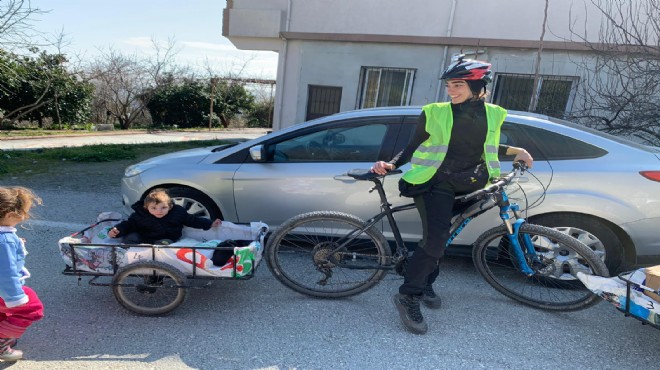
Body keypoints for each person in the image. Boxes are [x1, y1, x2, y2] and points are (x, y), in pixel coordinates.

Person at [371, 55, 534, 334]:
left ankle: (424, 284)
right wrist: (392, 163)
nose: (451, 91)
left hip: (471, 183)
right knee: (435, 241)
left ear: (478, 85)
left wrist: (515, 151)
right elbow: (412, 146)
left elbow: (486, 145)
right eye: (449, 85)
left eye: (457, 85)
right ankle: (408, 294)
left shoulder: (494, 113)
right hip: (433, 183)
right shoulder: (434, 112)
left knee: (442, 238)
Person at [0, 186, 45, 361]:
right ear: (10, 215)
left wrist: (16, 244)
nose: (24, 217)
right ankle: (2, 343)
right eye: (23, 214)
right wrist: (14, 297)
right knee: (32, 309)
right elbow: (6, 271)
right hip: (4, 289)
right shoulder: (4, 241)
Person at [108, 188, 222, 244]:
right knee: (131, 237)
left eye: (163, 208)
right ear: (146, 208)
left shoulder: (178, 212)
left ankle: (157, 266)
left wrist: (210, 223)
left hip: (166, 239)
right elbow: (128, 224)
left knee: (165, 244)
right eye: (153, 208)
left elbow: (193, 220)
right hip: (145, 239)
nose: (159, 211)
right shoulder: (140, 215)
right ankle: (129, 257)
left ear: (170, 206)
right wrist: (117, 230)